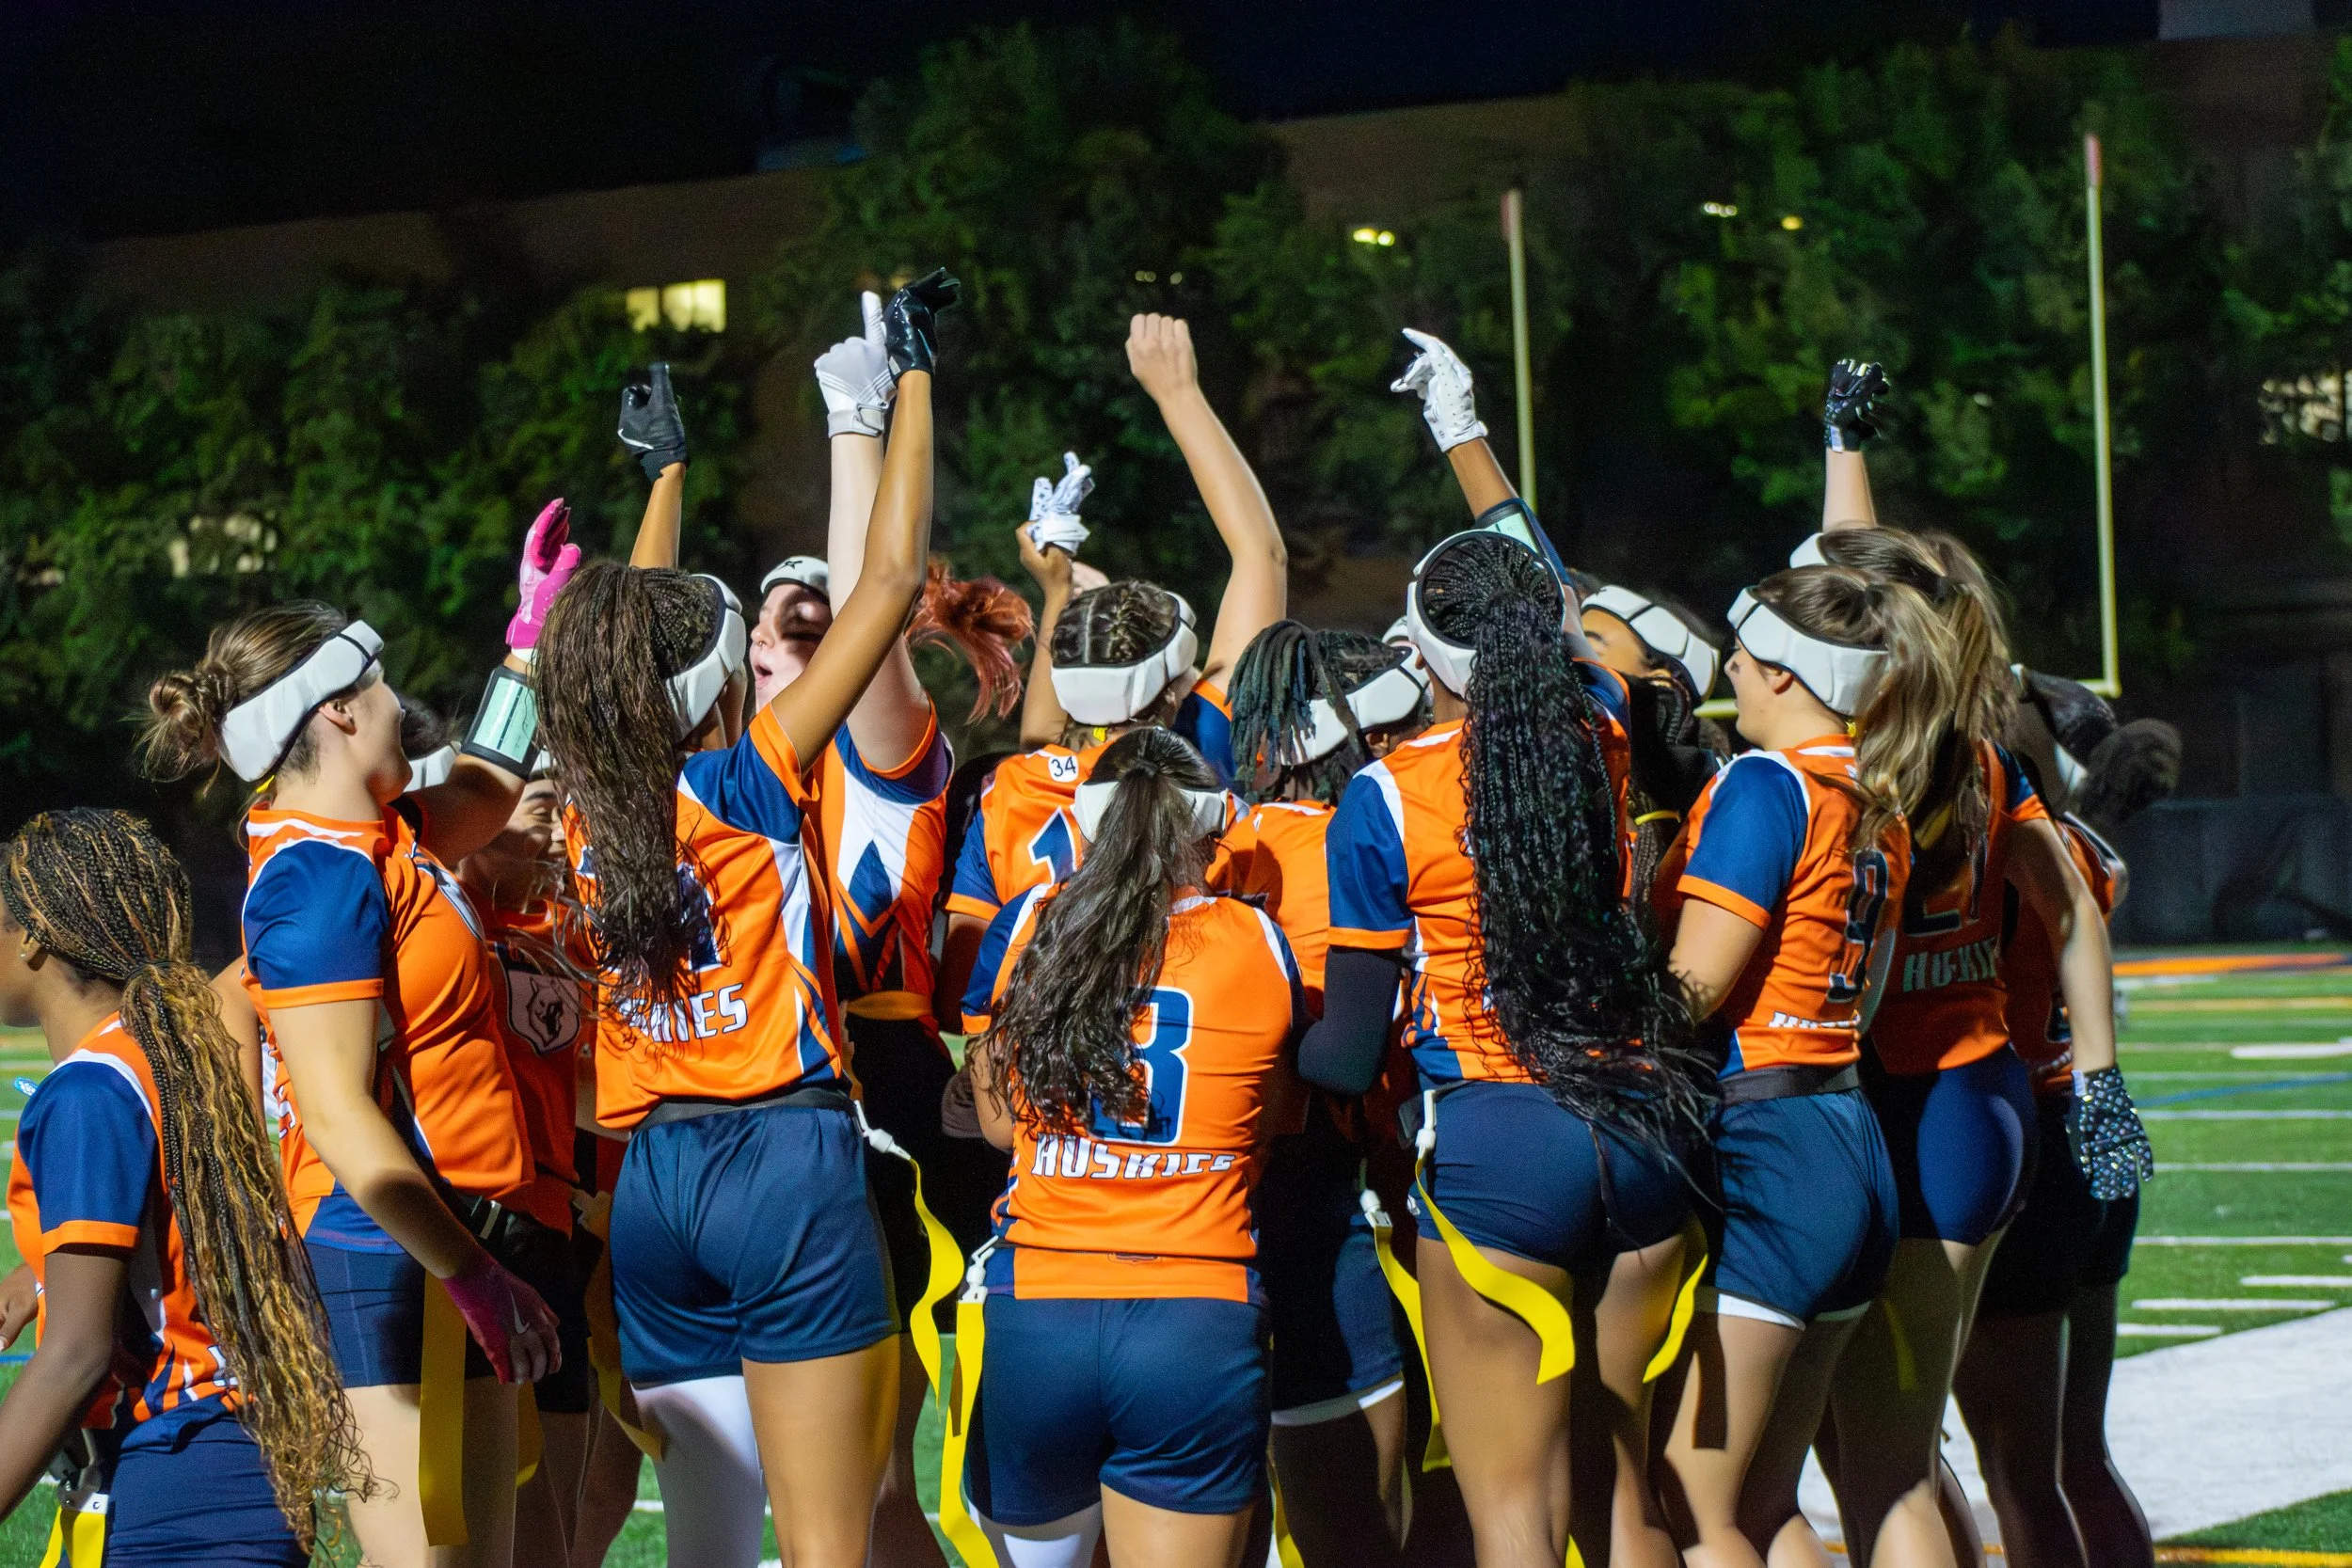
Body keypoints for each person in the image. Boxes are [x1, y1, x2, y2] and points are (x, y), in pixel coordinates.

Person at [532, 268, 952, 1568]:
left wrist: (662, 476)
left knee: (706, 1546)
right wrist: (919, 376)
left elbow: (620, 648)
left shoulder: (597, 814)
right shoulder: (750, 780)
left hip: (653, 1181)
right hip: (784, 1159)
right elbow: (885, 579)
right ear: (720, 676)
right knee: (833, 1542)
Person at [621, 300, 1029, 1567]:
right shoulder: (716, 775)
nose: (808, 620)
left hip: (877, 1107)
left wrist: (857, 425)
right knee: (818, 1511)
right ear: (734, 661)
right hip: (763, 1133)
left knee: (865, 1498)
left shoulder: (871, 750)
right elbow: (658, 640)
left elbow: (876, 595)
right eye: (779, 615)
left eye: (823, 620)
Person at [141, 519, 571, 1564]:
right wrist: (473, 1274)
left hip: (444, 1225)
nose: (397, 705)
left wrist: (524, 642)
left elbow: (488, 790)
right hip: (389, 1247)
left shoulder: (375, 832)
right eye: (379, 687)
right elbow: (337, 1111)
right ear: (338, 706)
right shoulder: (317, 876)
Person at [1799, 366, 2155, 1568]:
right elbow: (2082, 906)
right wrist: (2104, 1084)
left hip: (1946, 1103)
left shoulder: (1888, 767)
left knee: (1897, 1463)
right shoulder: (2003, 760)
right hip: (2049, 1112)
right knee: (2047, 1464)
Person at [1300, 529, 1710, 1568]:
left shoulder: (1385, 792)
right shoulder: (1606, 727)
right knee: (1622, 1500)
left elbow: (1347, 1053)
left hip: (1500, 1139)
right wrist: (1471, 446)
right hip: (1641, 1120)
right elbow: (1557, 599)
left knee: (1513, 1517)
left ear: (1424, 654)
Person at [958, 726, 1309, 1568]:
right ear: (1210, 824)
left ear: (1089, 822)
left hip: (1042, 1299)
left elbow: (1001, 1123)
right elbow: (1276, 1119)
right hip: (1194, 1306)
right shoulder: (1256, 938)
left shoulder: (1034, 922)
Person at [1652, 563, 1942, 1568]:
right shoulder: (1876, 795)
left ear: (1783, 670)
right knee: (1765, 1501)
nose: (1727, 662)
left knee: (1694, 1502)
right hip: (1846, 1131)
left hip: (1772, 1137)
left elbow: (1692, 984)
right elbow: (1861, 1001)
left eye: (1743, 649)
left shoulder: (1769, 784)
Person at [0, 809, 370, 1565]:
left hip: (175, 1479)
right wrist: (45, 1273)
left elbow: (76, 1355)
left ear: (35, 935)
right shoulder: (170, 1056)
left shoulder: (86, 1091)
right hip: (234, 1464)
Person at [937, 311, 1288, 1006]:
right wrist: (1178, 393)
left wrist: (1059, 589)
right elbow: (1261, 554)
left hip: (1053, 1087)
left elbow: (959, 993)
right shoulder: (1202, 751)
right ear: (1172, 683)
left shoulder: (1013, 790)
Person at [1216, 620, 1429, 1566]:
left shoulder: (1211, 834)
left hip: (1171, 1211)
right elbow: (1344, 1053)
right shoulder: (1351, 836)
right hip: (1313, 1190)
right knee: (1365, 1532)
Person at [1953, 678, 2178, 1568]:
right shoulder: (2084, 846)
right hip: (2092, 1121)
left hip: (2028, 1132)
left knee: (2017, 1469)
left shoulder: (2001, 837)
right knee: (2075, 1454)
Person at [454, 768, 604, 1568]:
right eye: (541, 808)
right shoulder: (447, 916)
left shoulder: (566, 930)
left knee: (560, 1500)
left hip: (561, 1219)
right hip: (486, 1224)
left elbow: (581, 1083)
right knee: (470, 1509)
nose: (557, 831)